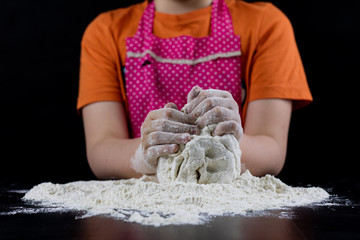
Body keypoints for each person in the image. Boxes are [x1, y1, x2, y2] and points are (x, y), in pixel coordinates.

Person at [77, 0, 312, 179]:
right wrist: (145, 154)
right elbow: (102, 150)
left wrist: (228, 144)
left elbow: (271, 151)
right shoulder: (106, 32)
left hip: (233, 210)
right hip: (140, 211)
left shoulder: (266, 25)